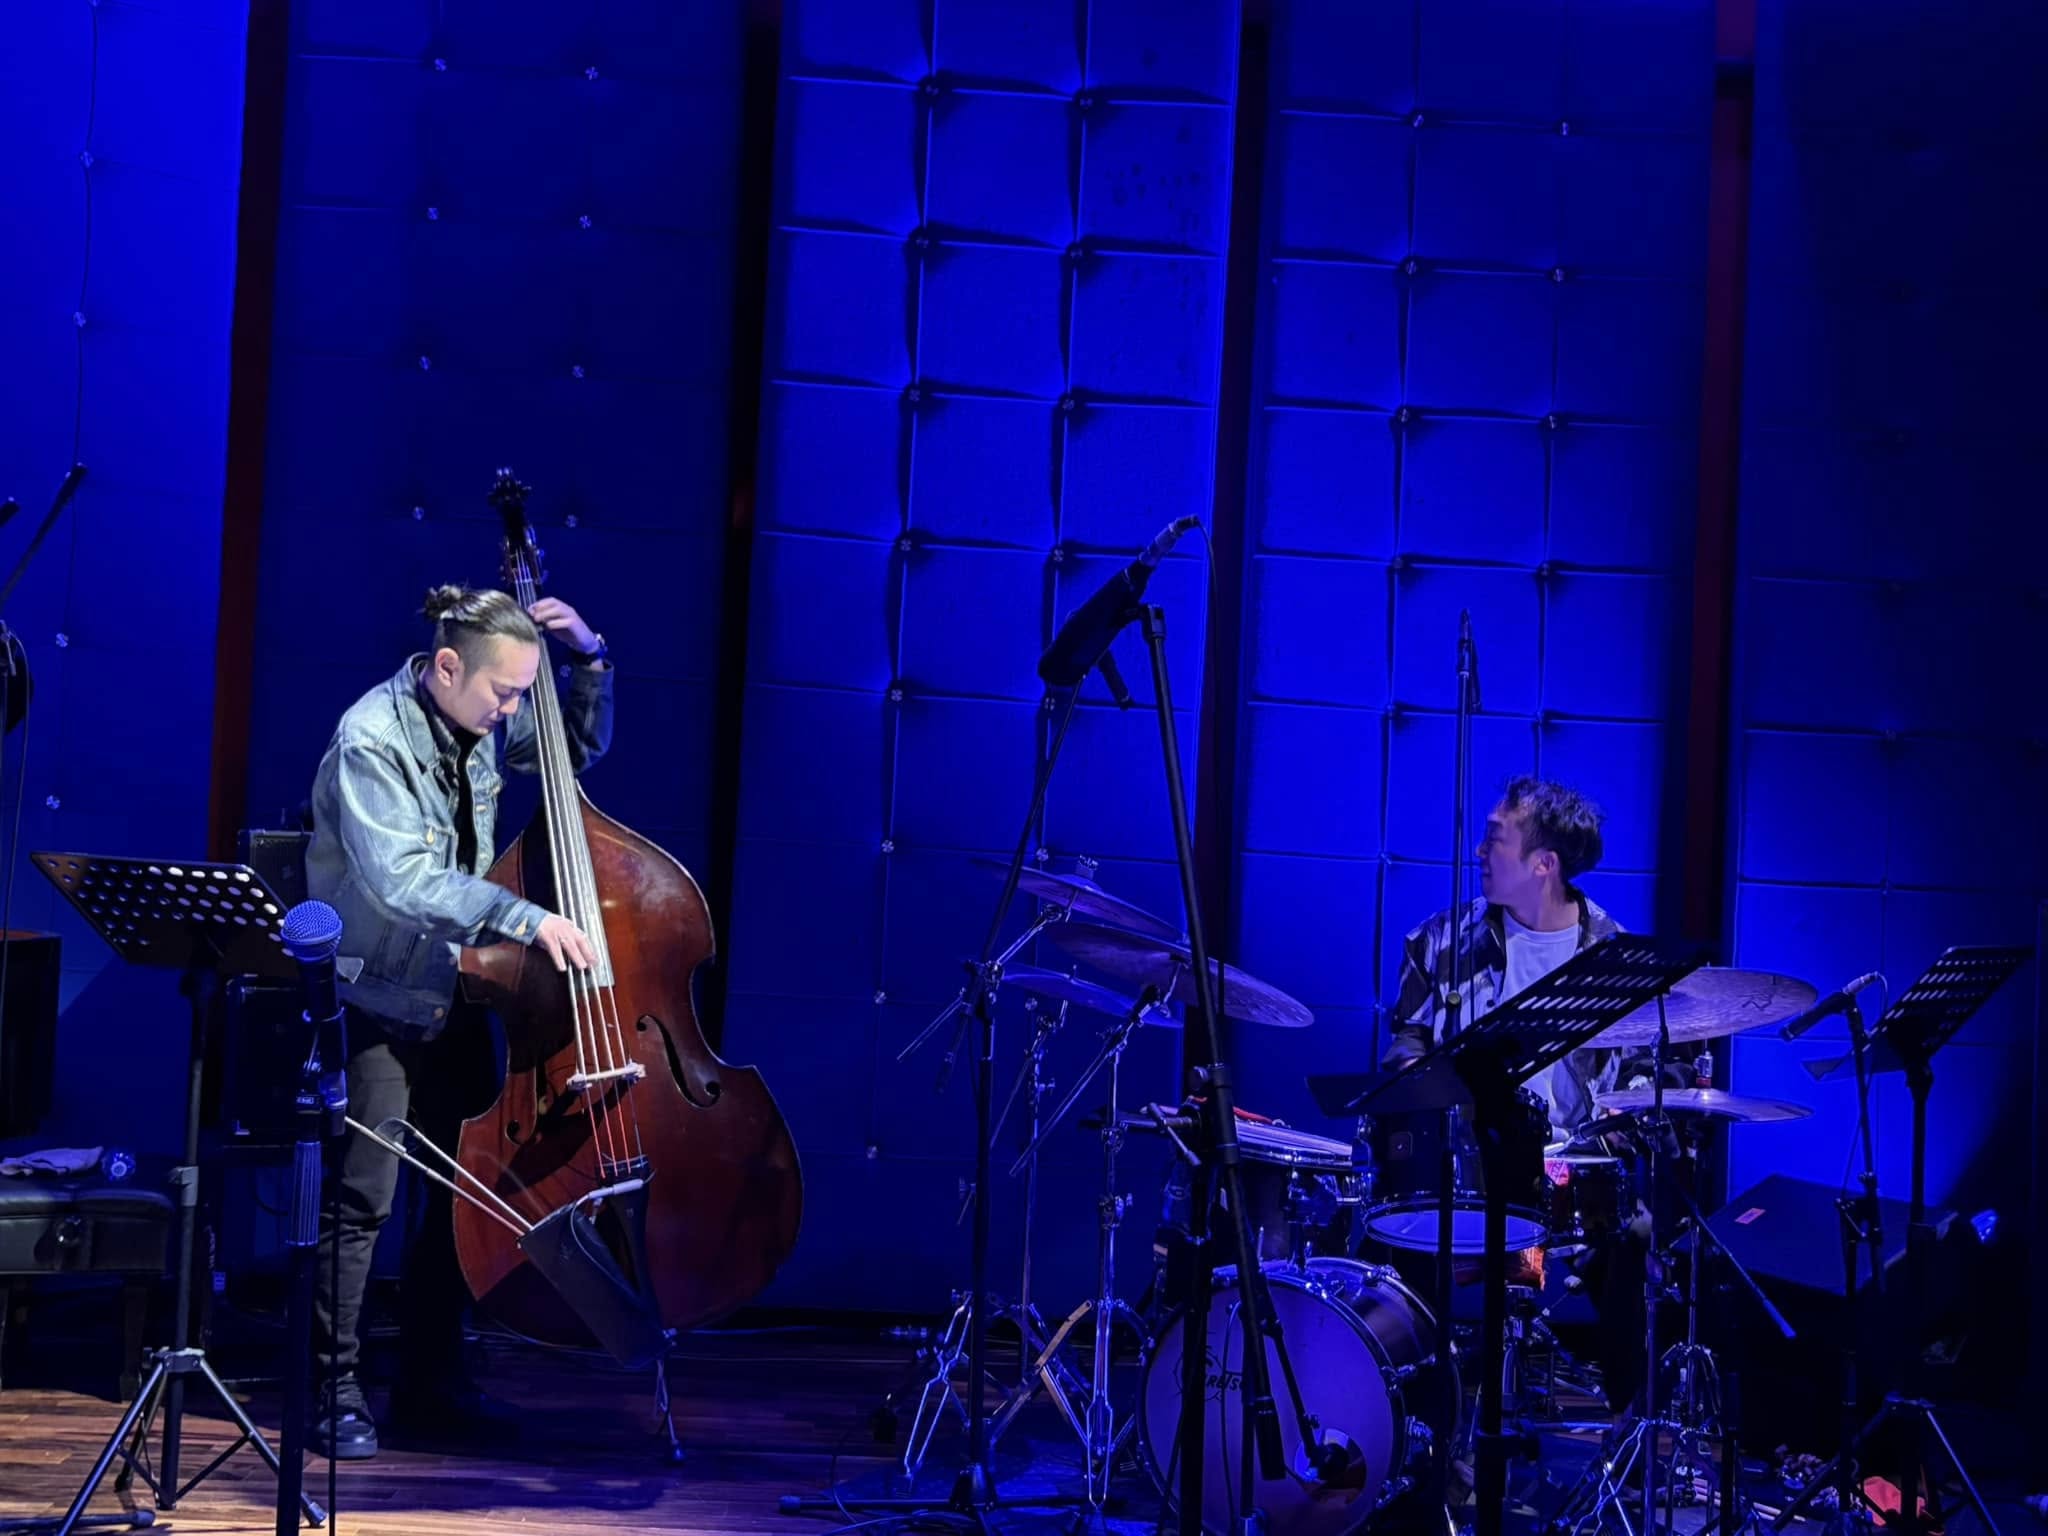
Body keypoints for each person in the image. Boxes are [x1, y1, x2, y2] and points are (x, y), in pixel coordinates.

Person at [304, 585, 613, 1459]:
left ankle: (432, 1383)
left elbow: (569, 751)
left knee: (459, 1196)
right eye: (505, 693)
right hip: (373, 998)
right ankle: (331, 1392)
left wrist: (590, 659)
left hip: (450, 992)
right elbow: (401, 882)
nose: (514, 710)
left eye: (521, 693)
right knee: (362, 1201)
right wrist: (526, 918)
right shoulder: (371, 739)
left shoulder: (477, 718)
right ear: (447, 666)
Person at [1379, 775, 1671, 1423]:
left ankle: (1628, 1435)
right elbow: (1407, 1043)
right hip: (1469, 1166)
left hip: (1573, 1175)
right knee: (1401, 1230)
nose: (1479, 852)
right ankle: (1426, 1430)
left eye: (1495, 840)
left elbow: (1641, 1077)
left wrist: (1620, 1119)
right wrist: (1418, 1075)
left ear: (1544, 864)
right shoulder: (1439, 942)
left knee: (1638, 1237)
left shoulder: (1612, 955)